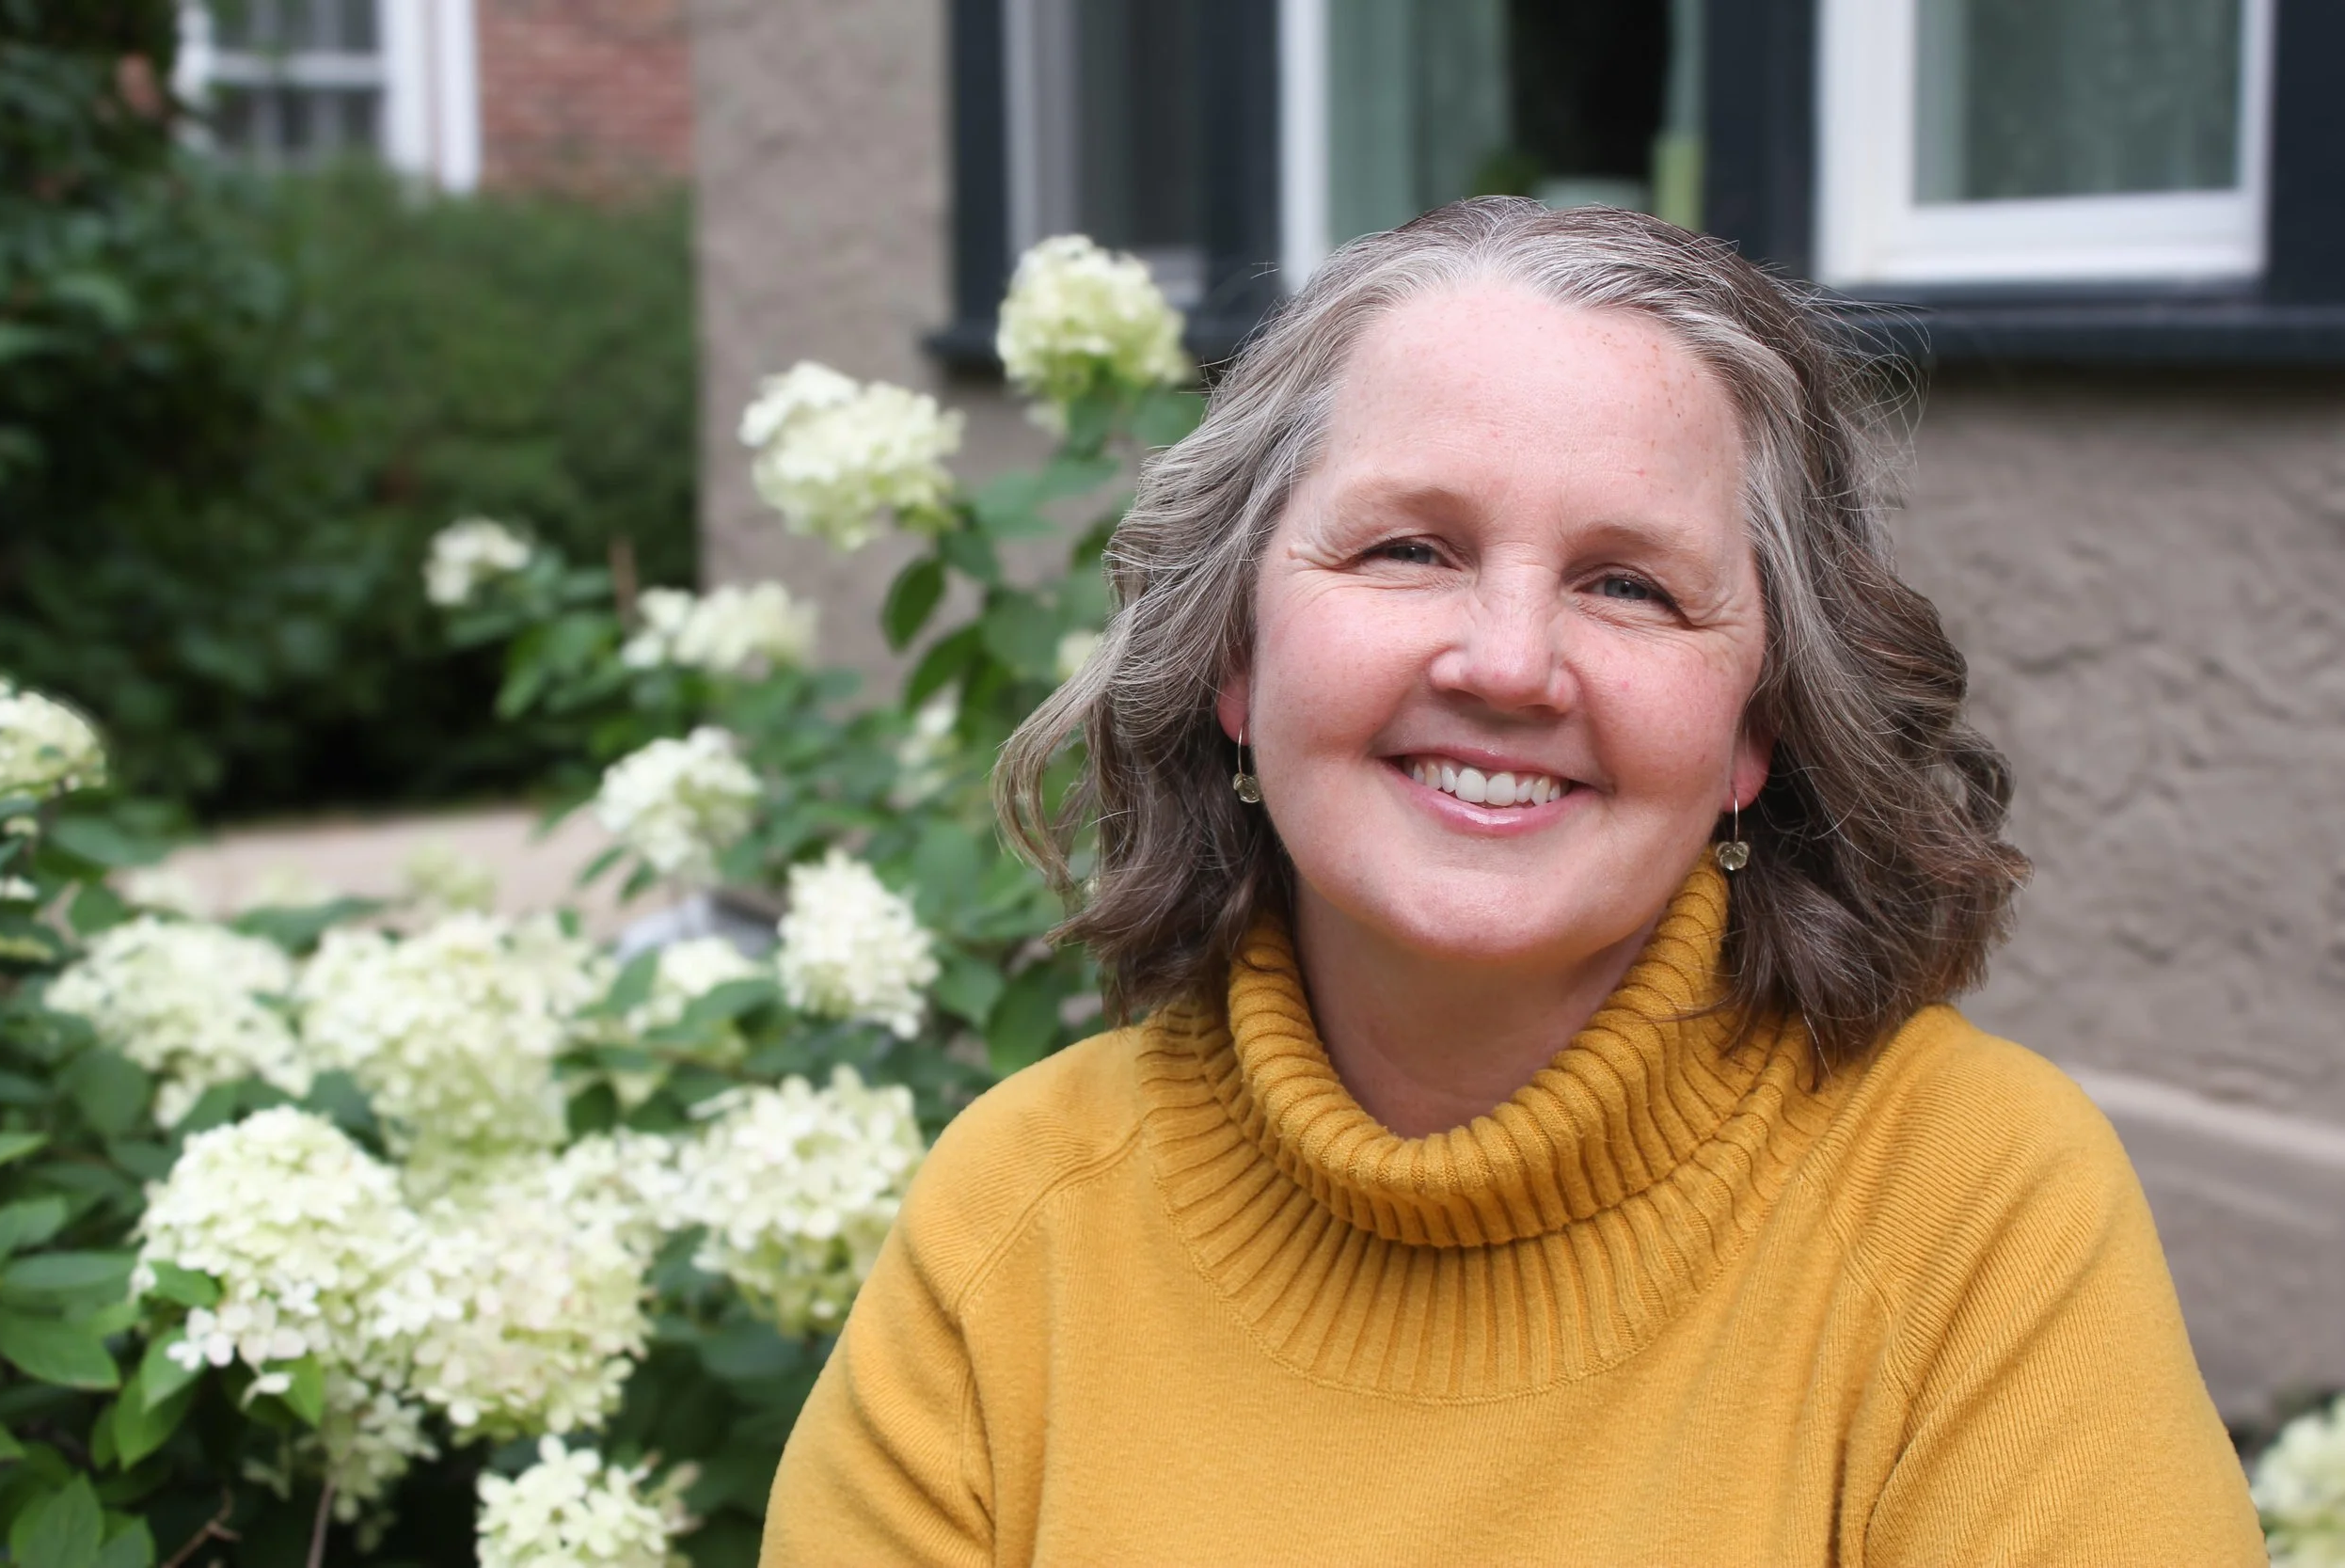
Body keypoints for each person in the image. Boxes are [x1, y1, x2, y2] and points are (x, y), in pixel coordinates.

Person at [760, 199, 2264, 1565]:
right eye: (1411, 548)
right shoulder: (1010, 1226)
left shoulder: (1973, 1215)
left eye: (1630, 585)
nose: (1507, 664)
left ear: (1756, 727)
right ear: (1232, 653)